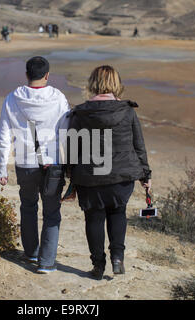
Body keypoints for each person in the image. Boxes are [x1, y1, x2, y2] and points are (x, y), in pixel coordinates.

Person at [66, 65, 152, 280]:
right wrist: (145, 175)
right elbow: (138, 145)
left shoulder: (80, 112)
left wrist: (72, 180)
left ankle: (98, 266)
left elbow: (72, 149)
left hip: (90, 177)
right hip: (121, 177)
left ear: (92, 84)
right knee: (117, 213)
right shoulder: (127, 111)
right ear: (116, 84)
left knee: (93, 218)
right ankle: (117, 259)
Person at [0, 56, 70, 274]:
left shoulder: (12, 98)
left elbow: (4, 136)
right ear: (47, 75)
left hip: (25, 163)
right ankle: (46, 262)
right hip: (52, 164)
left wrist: (2, 168)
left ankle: (31, 253)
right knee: (52, 212)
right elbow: (67, 132)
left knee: (28, 207)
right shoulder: (58, 98)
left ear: (27, 74)